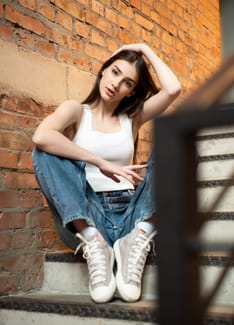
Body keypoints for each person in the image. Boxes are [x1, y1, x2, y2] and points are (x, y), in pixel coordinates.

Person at [32, 43, 181, 303]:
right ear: (103, 71)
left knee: (179, 143)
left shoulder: (132, 118)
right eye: (114, 72)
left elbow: (173, 89)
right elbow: (41, 136)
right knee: (43, 152)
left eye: (127, 82)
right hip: (89, 215)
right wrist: (99, 161)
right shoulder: (76, 111)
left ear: (131, 91)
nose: (116, 84)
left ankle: (139, 237)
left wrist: (142, 48)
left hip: (131, 213)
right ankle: (94, 242)